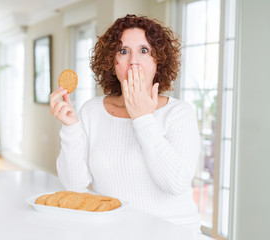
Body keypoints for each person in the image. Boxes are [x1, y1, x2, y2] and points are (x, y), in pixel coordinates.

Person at [49, 14, 201, 233]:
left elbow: (175, 184)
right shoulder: (92, 111)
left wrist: (142, 119)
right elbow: (74, 186)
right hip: (113, 231)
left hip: (173, 232)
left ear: (158, 60)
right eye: (123, 51)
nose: (133, 61)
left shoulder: (179, 113)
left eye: (144, 50)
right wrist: (71, 128)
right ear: (112, 61)